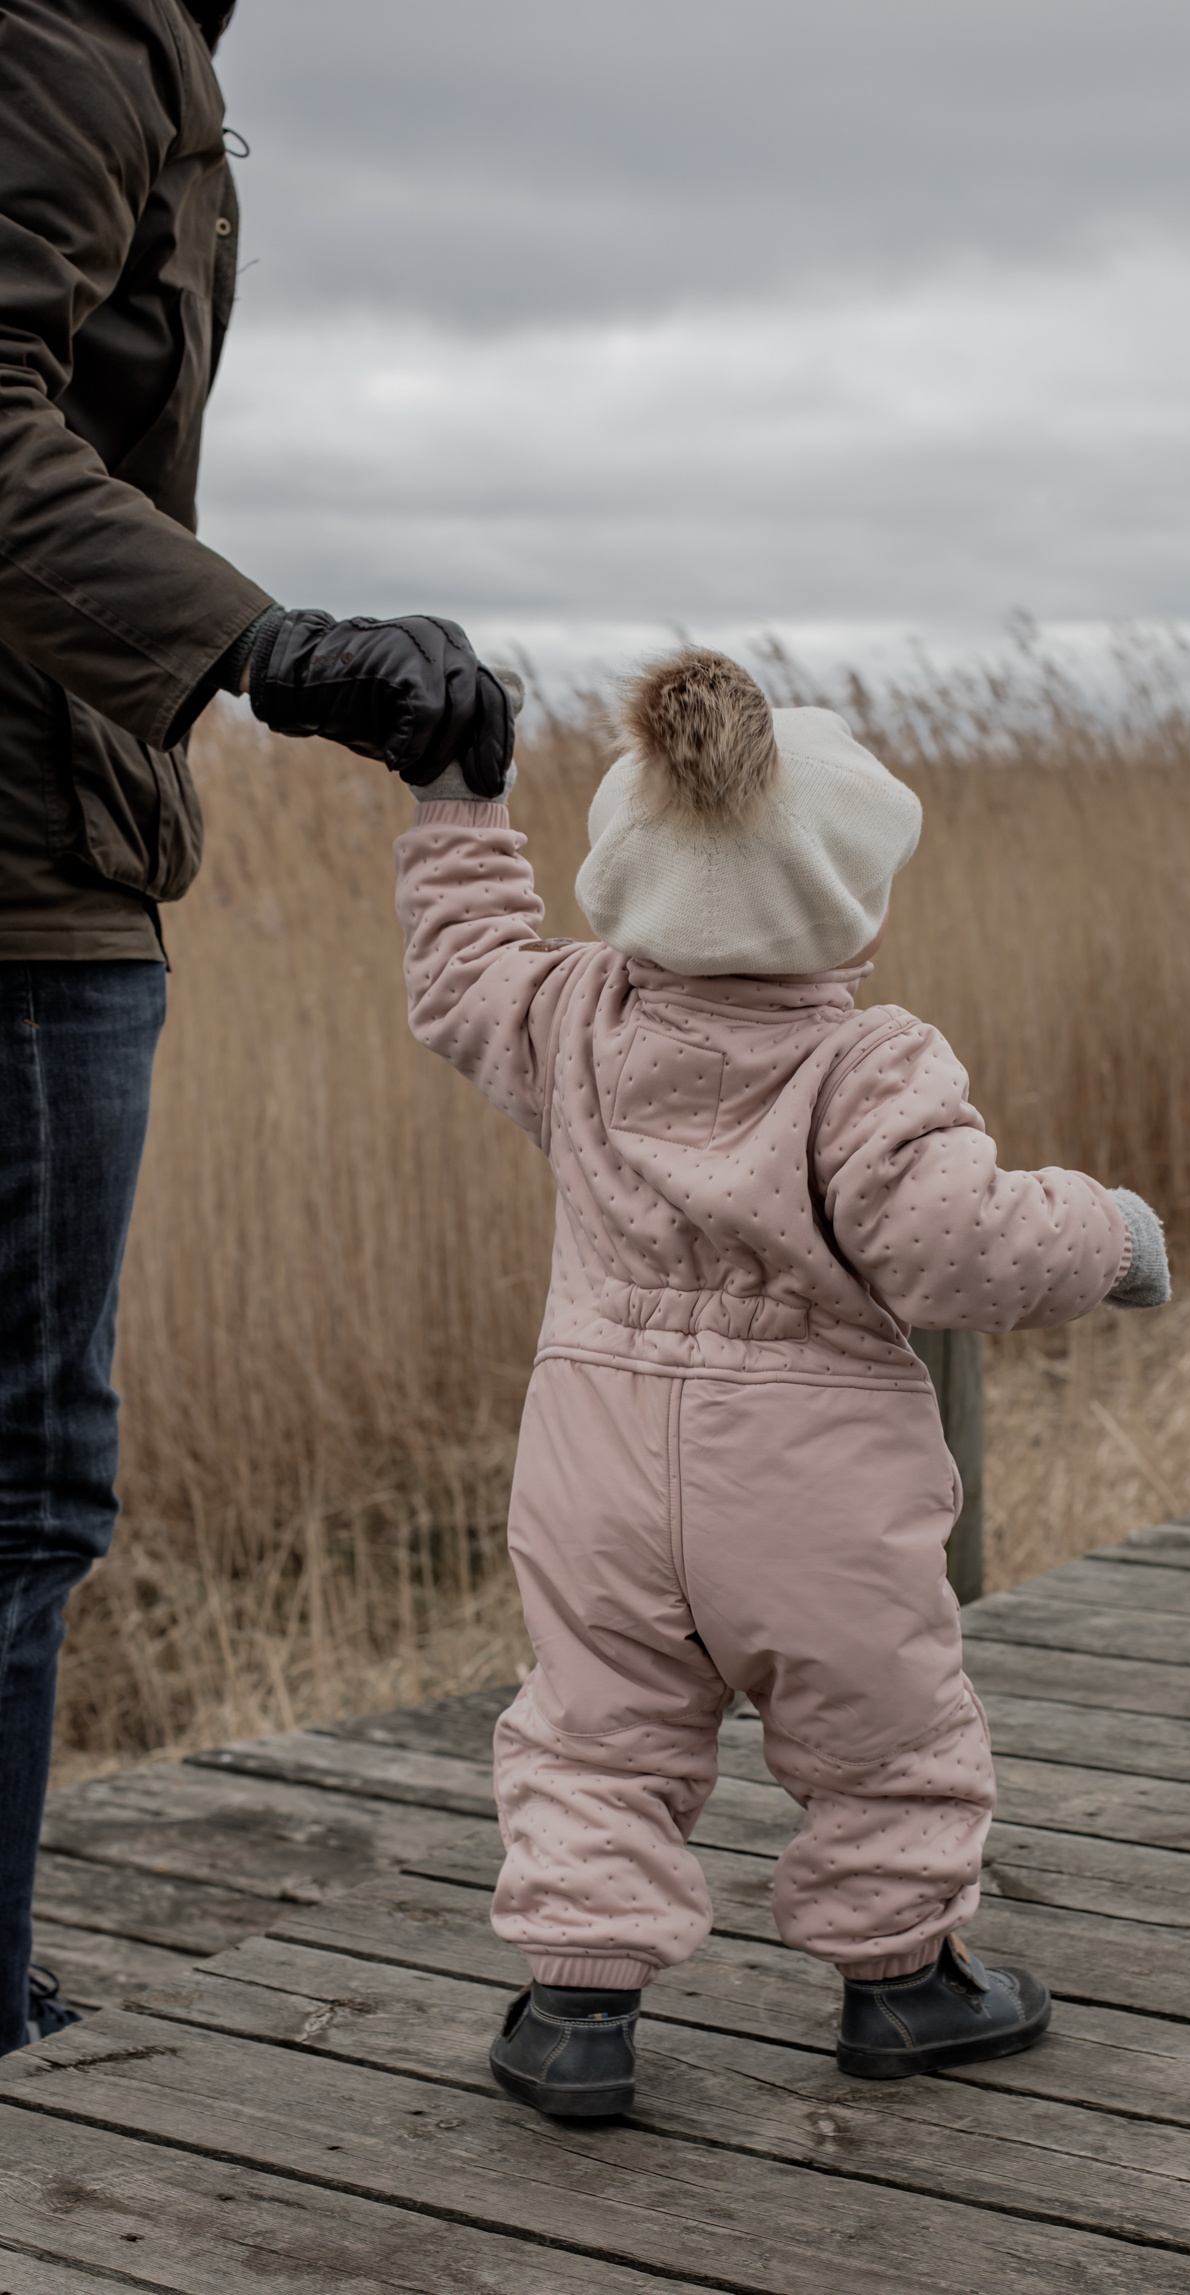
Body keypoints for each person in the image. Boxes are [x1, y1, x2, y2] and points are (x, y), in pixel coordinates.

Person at [393, 648, 1171, 2117]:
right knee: (882, 1720)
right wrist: (1109, 1232)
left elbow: (458, 970)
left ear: (631, 868)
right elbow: (957, 1248)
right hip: (810, 1468)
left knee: (593, 1723)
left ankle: (577, 2009)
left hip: (594, 1454)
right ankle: (903, 1984)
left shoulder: (571, 1018)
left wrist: (458, 804)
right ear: (844, 894)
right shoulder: (868, 1064)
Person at [0, 0, 512, 2056]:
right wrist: (260, 645)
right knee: (21, 1480)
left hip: (56, 832)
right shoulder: (58, 31)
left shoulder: (132, 42)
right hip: (26, 869)